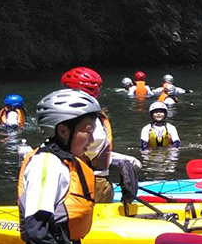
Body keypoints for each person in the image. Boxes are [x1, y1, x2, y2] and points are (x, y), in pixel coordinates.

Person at [15, 89, 100, 244]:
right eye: (88, 131)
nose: (92, 140)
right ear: (63, 130)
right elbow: (36, 229)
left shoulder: (63, 161)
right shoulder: (46, 165)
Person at [59, 66, 141, 203]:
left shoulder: (77, 121)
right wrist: (124, 160)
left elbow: (90, 151)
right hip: (92, 183)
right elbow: (95, 151)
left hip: (84, 183)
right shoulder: (91, 120)